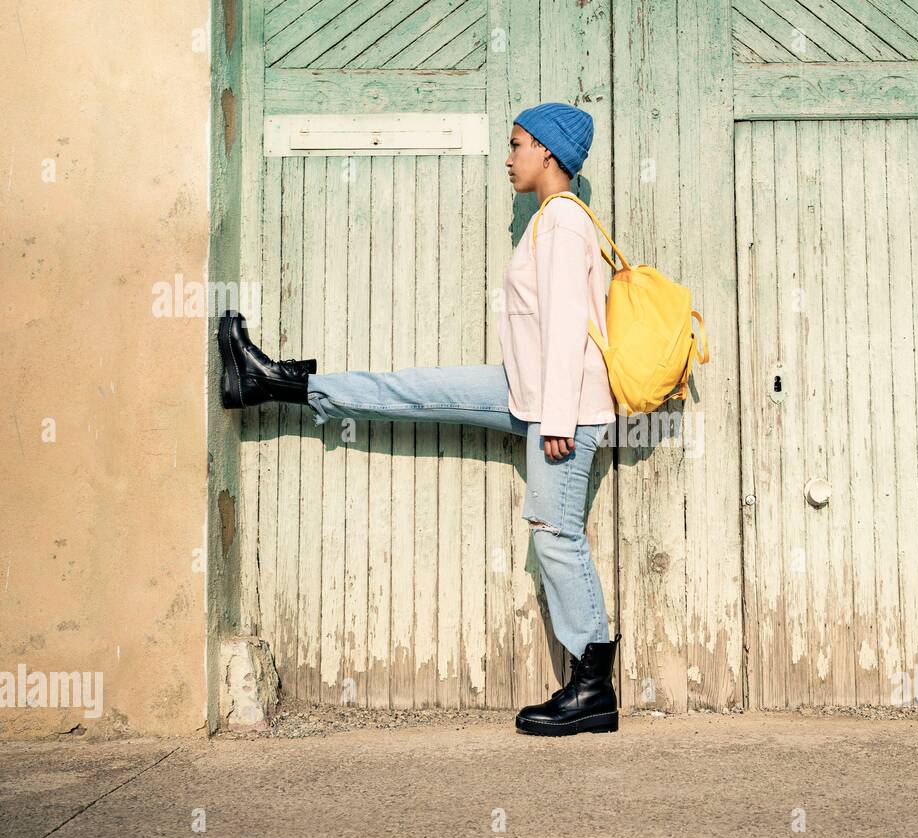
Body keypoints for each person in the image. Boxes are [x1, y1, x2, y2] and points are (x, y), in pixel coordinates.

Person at [216, 102, 620, 737]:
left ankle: (593, 689)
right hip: (528, 393)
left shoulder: (564, 223)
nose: (508, 157)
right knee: (412, 390)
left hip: (563, 410)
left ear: (546, 151)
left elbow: (570, 323)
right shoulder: (550, 222)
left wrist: (561, 417)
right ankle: (279, 382)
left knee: (554, 533)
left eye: (516, 144)